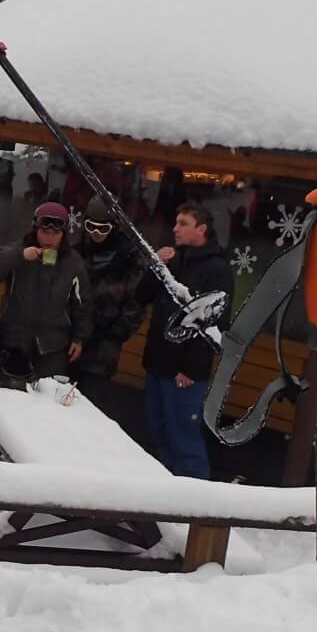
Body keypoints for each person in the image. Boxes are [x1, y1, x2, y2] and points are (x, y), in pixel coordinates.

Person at [139, 202, 233, 478]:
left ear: (201, 229)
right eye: (176, 222)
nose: (175, 228)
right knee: (159, 431)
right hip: (158, 362)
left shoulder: (216, 268)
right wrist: (156, 266)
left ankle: (194, 504)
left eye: (183, 223)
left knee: (184, 438)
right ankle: (169, 494)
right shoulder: (175, 258)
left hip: (184, 372)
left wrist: (193, 367)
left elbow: (216, 320)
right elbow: (141, 296)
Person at [0, 200, 93, 383]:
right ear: (35, 229)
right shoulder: (20, 249)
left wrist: (80, 338)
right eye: (44, 232)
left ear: (63, 234)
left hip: (52, 346)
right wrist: (21, 256)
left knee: (45, 403)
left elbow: (83, 304)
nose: (49, 238)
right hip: (13, 340)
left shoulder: (72, 262)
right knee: (9, 399)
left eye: (55, 233)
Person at [73, 196, 146, 397]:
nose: (96, 233)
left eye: (103, 228)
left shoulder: (129, 258)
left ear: (114, 227)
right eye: (91, 226)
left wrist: (116, 333)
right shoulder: (79, 251)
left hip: (102, 347)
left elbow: (137, 303)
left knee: (89, 402)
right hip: (71, 339)